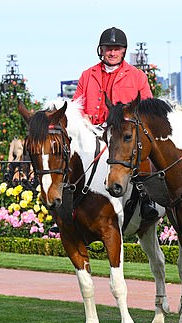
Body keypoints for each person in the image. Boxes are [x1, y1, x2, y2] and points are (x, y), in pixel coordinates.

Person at [72, 26, 158, 221]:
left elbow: (148, 109)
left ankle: (146, 200)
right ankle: (69, 208)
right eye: (108, 48)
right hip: (93, 132)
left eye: (116, 48)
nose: (112, 52)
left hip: (122, 134)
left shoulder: (137, 76)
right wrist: (83, 119)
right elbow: (77, 104)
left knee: (140, 148)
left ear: (123, 51)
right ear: (101, 50)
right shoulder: (87, 75)